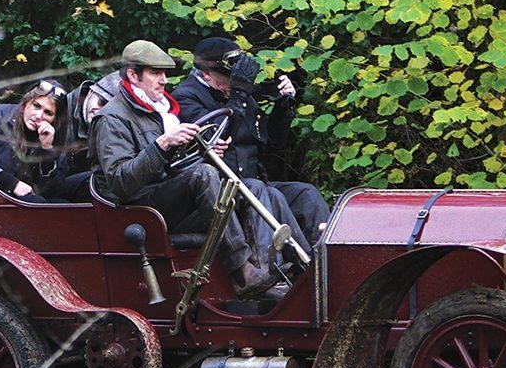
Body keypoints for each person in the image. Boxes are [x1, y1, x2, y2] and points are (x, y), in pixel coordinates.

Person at [89, 40, 276, 298]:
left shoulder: (162, 110)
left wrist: (205, 154)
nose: (164, 80)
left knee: (250, 186)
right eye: (155, 73)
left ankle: (265, 273)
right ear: (133, 75)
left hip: (168, 200)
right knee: (205, 175)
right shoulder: (112, 118)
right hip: (140, 210)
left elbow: (176, 167)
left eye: (165, 73)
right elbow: (121, 183)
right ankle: (242, 271)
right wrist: (163, 143)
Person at [173, 37, 330, 256]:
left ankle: (328, 263)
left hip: (255, 185)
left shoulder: (238, 95)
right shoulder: (186, 97)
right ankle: (296, 270)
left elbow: (273, 144)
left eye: (236, 79)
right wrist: (239, 94)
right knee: (265, 194)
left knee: (306, 194)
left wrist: (284, 105)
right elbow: (219, 136)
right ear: (206, 74)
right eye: (228, 78)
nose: (232, 83)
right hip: (222, 194)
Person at [62, 71, 122, 201]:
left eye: (110, 110)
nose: (100, 112)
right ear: (90, 93)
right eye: (101, 102)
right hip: (50, 184)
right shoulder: (59, 109)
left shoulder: (114, 125)